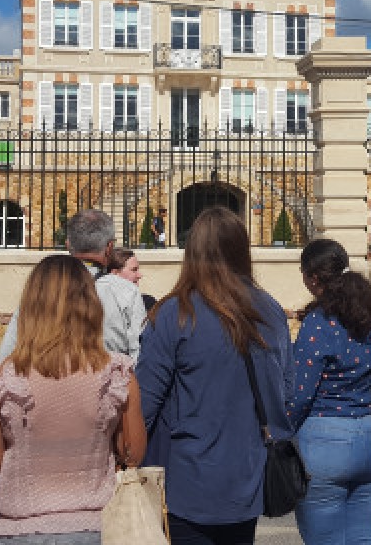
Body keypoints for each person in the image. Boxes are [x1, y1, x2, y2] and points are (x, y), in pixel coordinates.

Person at [137, 207, 292, 544]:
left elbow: (144, 402)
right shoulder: (270, 310)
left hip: (185, 477)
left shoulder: (175, 313)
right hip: (247, 472)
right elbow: (284, 390)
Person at [0, 254, 147, 544]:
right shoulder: (116, 373)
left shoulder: (5, 379)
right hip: (95, 525)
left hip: (18, 528)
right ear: (90, 306)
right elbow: (134, 454)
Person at [285, 238, 371, 545]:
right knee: (361, 539)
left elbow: (301, 393)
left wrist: (280, 428)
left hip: (324, 439)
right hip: (368, 438)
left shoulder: (319, 323)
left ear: (314, 278)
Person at [0, 209, 144, 360]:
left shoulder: (42, 287)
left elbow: (6, 355)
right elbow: (139, 355)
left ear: (68, 244)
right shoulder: (126, 292)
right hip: (108, 380)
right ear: (110, 247)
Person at [109, 247, 157, 312]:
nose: (140, 275)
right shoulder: (101, 305)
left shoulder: (148, 303)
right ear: (115, 274)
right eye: (134, 270)